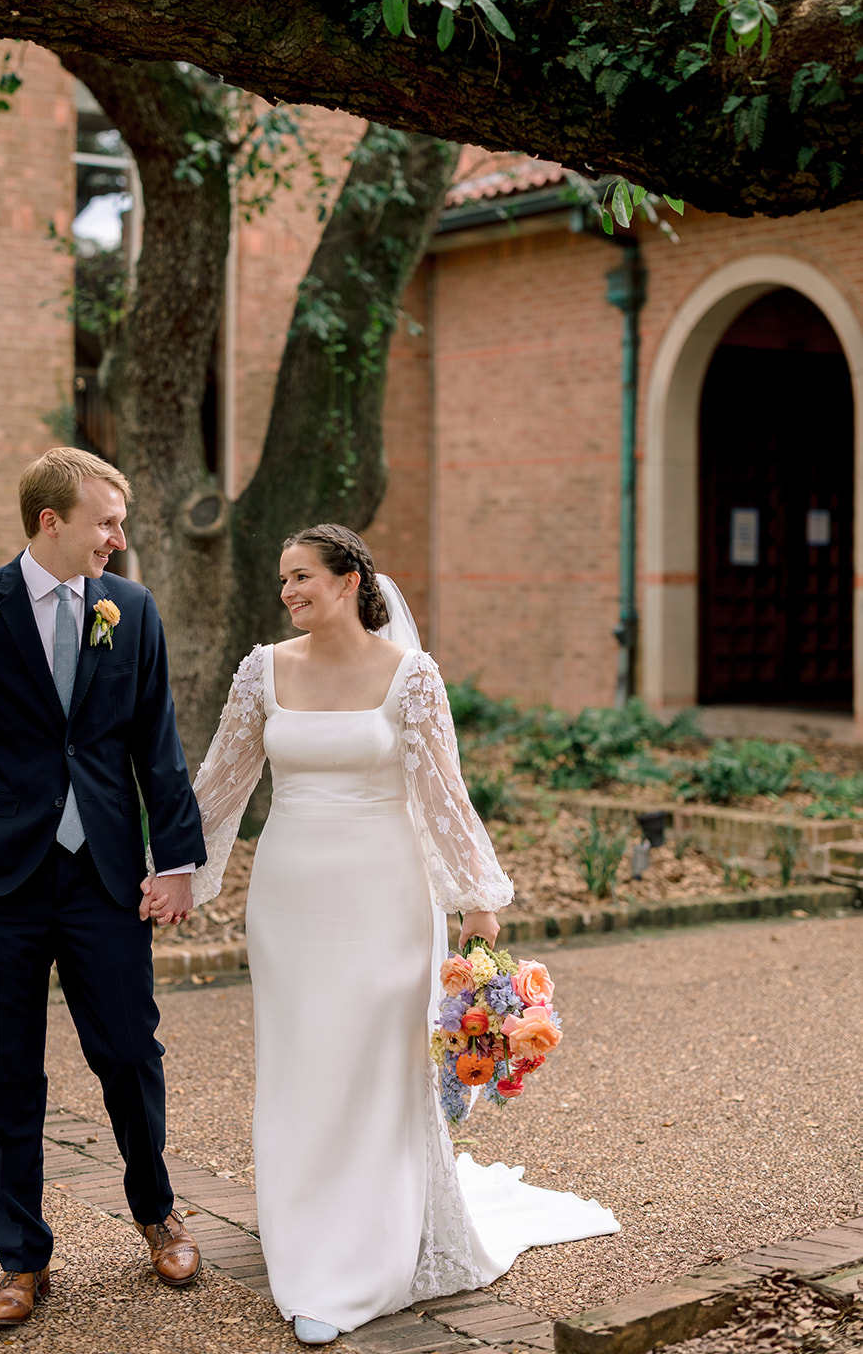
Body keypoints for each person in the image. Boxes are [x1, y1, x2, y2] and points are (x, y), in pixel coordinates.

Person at [189, 524, 619, 1346]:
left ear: (350, 580)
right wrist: (176, 871)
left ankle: (360, 1259)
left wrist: (477, 899)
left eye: (303, 576)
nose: (287, 592)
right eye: (282, 580)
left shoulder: (410, 676)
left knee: (375, 1066)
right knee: (302, 1064)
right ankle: (303, 1234)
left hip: (386, 897)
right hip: (287, 902)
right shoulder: (262, 671)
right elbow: (219, 782)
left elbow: (441, 793)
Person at [0, 447, 207, 1328]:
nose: (117, 538)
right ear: (52, 522)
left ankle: (156, 1213)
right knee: (8, 1074)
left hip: (105, 876)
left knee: (128, 1051)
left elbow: (156, 744)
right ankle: (21, 1259)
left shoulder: (131, 608)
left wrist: (177, 863)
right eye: (105, 522)